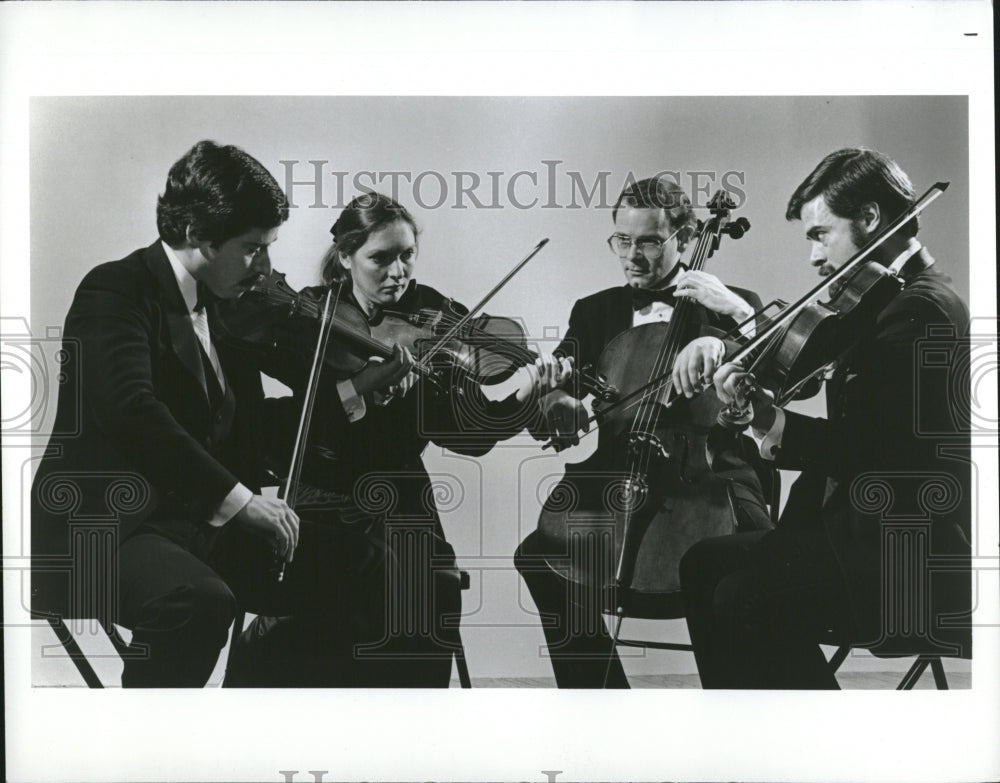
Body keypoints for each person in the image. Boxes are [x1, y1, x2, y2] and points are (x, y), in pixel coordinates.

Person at [30, 141, 411, 687]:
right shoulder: (115, 290)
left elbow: (252, 427)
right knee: (199, 601)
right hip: (105, 530)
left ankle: (282, 725)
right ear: (193, 233)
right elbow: (132, 412)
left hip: (194, 529)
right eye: (254, 248)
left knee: (366, 565)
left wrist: (356, 389)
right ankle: (148, 758)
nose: (267, 267)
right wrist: (241, 502)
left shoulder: (226, 305)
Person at [235, 191, 564, 686]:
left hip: (402, 496)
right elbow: (265, 421)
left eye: (407, 254)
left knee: (429, 592)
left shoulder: (433, 316)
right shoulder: (306, 318)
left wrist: (526, 400)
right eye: (380, 258)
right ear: (345, 258)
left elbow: (469, 436)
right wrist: (362, 386)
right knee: (319, 610)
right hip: (321, 496)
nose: (398, 272)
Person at [680, 148, 971, 688]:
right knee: (703, 564)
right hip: (858, 536)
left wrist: (770, 422)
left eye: (821, 233)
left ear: (869, 218)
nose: (815, 258)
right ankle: (750, 737)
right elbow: (815, 361)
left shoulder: (920, 308)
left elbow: (873, 450)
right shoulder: (884, 300)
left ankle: (809, 743)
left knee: (743, 595)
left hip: (903, 558)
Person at [514, 175, 774, 688]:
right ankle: (601, 698)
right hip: (617, 472)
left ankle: (737, 701)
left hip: (712, 480)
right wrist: (558, 400)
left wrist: (732, 328)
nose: (633, 256)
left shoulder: (729, 302)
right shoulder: (595, 310)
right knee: (541, 558)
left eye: (650, 242)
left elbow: (780, 376)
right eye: (623, 241)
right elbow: (567, 379)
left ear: (685, 235)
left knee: (736, 568)